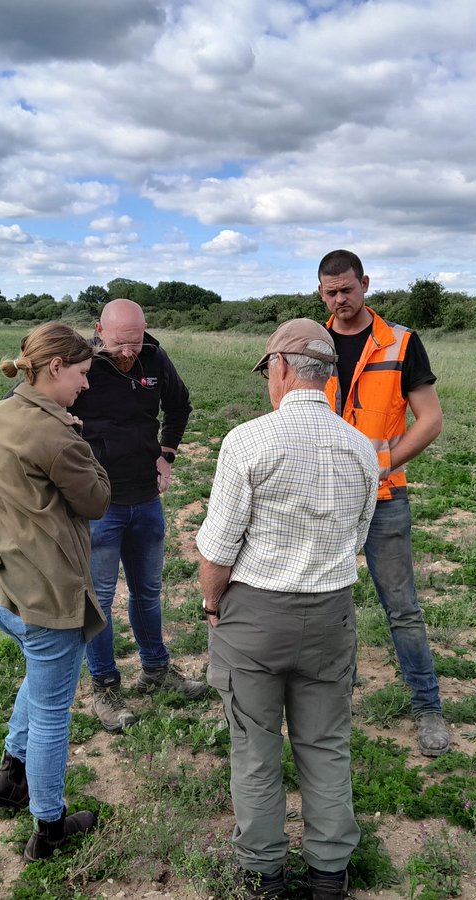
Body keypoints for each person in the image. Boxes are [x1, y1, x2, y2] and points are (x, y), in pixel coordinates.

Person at [197, 319, 379, 900]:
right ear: (327, 376)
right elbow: (357, 538)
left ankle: (263, 873)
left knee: (255, 746)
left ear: (278, 368)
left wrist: (210, 603)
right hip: (330, 611)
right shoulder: (360, 447)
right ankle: (329, 874)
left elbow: (219, 549)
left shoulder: (248, 441)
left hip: (254, 614)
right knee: (325, 744)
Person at [0, 321, 110, 861]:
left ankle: (9, 775)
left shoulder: (0, 414)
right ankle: (48, 830)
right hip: (48, 597)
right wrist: (80, 441)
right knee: (55, 711)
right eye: (81, 373)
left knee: (39, 678)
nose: (85, 384)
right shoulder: (57, 435)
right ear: (56, 367)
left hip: (3, 585)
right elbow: (97, 499)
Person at [317, 249, 452, 757]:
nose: (339, 300)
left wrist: (383, 463)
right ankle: (334, 704)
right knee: (329, 605)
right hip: (326, 499)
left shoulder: (401, 342)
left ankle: (428, 707)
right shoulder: (312, 342)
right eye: (330, 292)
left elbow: (430, 419)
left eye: (347, 289)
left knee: (402, 609)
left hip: (384, 498)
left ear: (365, 284)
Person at [71, 298, 205, 733]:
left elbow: (180, 406)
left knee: (147, 592)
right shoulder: (81, 364)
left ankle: (155, 669)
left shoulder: (154, 357)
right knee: (101, 600)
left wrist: (167, 454)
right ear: (99, 331)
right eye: (119, 344)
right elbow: (36, 407)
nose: (128, 352)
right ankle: (105, 687)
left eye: (136, 342)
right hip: (99, 505)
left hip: (146, 499)